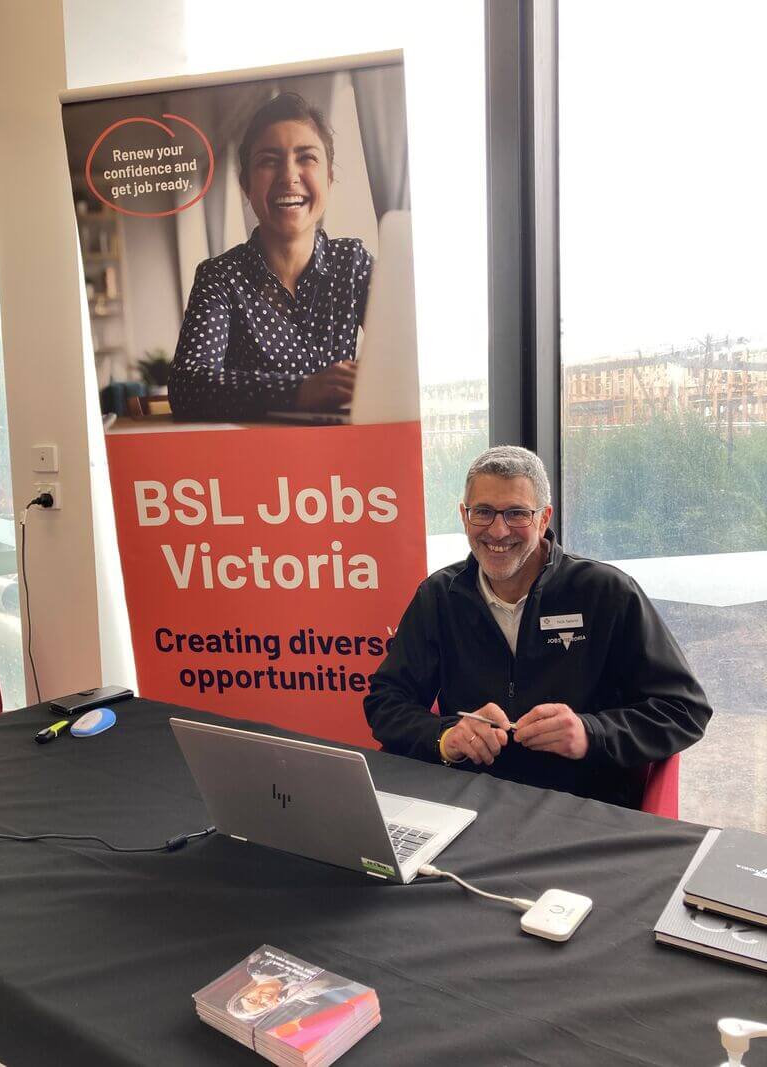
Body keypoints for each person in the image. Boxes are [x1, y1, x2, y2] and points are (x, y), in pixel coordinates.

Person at [363, 445, 712, 807]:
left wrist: (590, 734)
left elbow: (685, 710)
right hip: (469, 802)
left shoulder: (606, 593)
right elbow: (386, 702)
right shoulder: (439, 596)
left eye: (517, 513)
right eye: (483, 512)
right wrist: (445, 737)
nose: (498, 531)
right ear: (464, 516)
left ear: (544, 519)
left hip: (580, 806)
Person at [168, 92, 373, 421]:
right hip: (254, 451)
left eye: (306, 157)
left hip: (343, 450)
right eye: (268, 161)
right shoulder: (220, 277)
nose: (288, 176)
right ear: (246, 184)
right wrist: (301, 390)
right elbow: (188, 386)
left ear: (329, 178)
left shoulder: (352, 262)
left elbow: (407, 354)